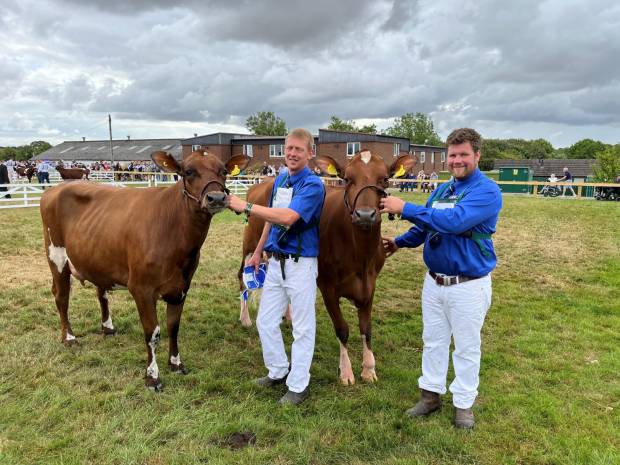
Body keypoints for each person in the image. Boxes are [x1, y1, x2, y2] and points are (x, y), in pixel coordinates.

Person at [380, 128, 502, 429]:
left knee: (466, 346)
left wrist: (405, 208)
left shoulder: (486, 191)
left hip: (468, 285)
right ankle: (430, 395)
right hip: (434, 282)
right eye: (452, 155)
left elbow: (454, 221)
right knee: (433, 341)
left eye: (463, 154)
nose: (457, 161)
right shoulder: (442, 190)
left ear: (477, 155)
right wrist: (399, 242)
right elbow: (425, 228)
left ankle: (463, 405)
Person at [227, 128, 325, 406]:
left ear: (310, 153)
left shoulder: (313, 185)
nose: (292, 154)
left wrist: (246, 207)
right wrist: (258, 251)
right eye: (289, 148)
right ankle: (279, 370)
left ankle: (299, 385)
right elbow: (271, 220)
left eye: (298, 149)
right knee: (266, 320)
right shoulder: (282, 179)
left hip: (301, 264)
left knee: (303, 328)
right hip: (275, 262)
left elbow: (288, 217)